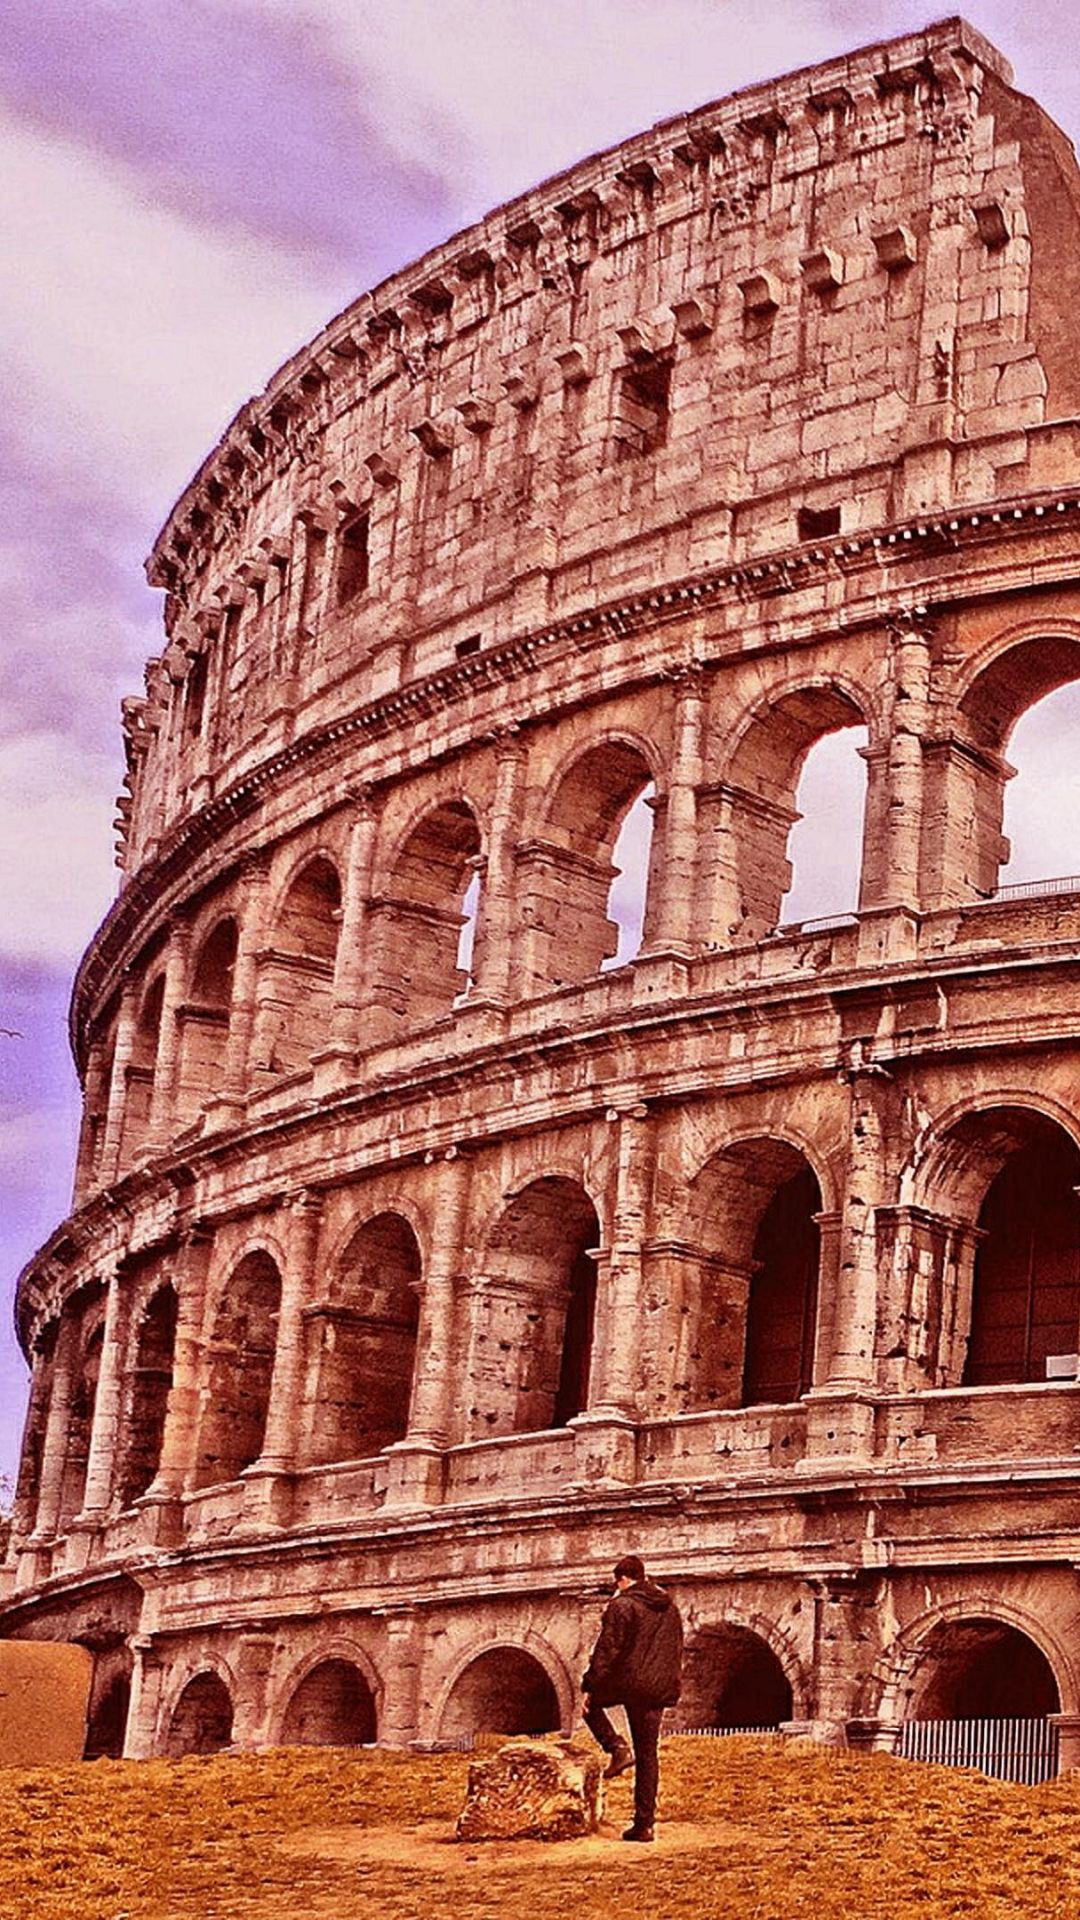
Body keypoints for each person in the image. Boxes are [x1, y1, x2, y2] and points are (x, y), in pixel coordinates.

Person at [581, 1553, 684, 1843]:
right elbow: (675, 1647)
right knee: (648, 1754)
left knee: (589, 1707)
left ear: (623, 1579)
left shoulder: (622, 1605)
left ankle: (616, 1748)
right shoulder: (669, 1606)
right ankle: (644, 1825)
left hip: (632, 1684)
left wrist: (590, 1684)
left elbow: (608, 1649)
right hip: (659, 1687)